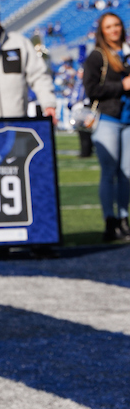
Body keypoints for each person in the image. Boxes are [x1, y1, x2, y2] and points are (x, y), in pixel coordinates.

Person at [83, 12, 130, 242]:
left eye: (117, 25)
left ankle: (124, 218)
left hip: (128, 118)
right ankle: (110, 221)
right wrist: (121, 85)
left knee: (127, 174)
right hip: (108, 118)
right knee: (109, 172)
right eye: (109, 26)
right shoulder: (97, 56)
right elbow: (91, 90)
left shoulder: (128, 52)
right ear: (102, 31)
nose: (114, 30)